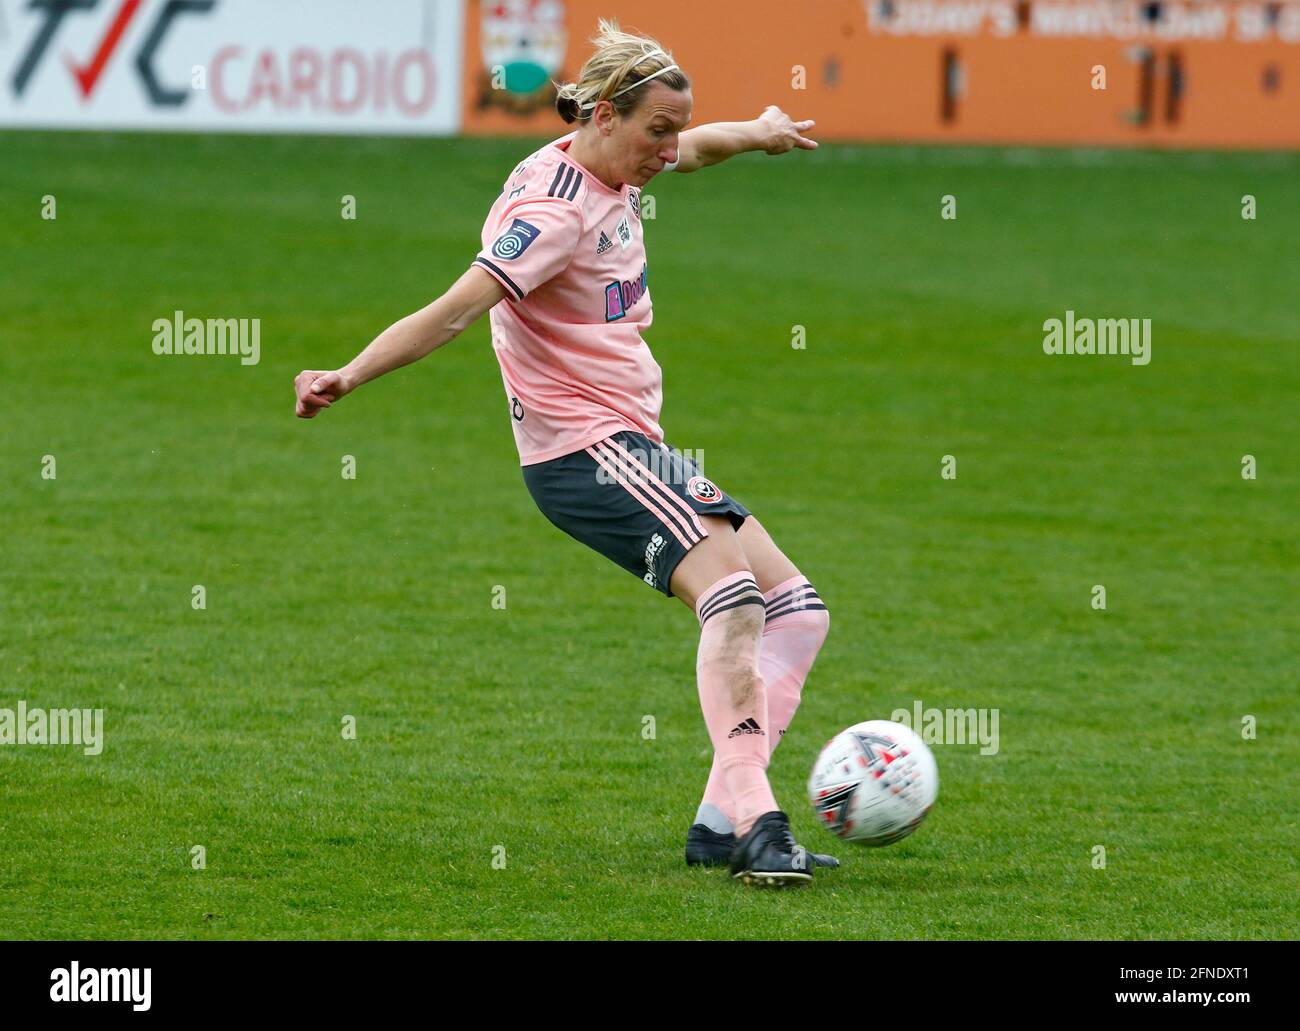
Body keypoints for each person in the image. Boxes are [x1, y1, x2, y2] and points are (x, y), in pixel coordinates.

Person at [294, 19, 832, 887]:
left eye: (672, 130)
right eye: (656, 130)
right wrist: (347, 374)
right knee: (732, 598)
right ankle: (758, 820)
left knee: (796, 608)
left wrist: (760, 133)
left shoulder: (609, 155)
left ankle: (714, 824)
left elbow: (694, 148)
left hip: (631, 444)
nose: (669, 150)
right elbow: (455, 311)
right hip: (585, 452)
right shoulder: (553, 213)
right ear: (610, 115)